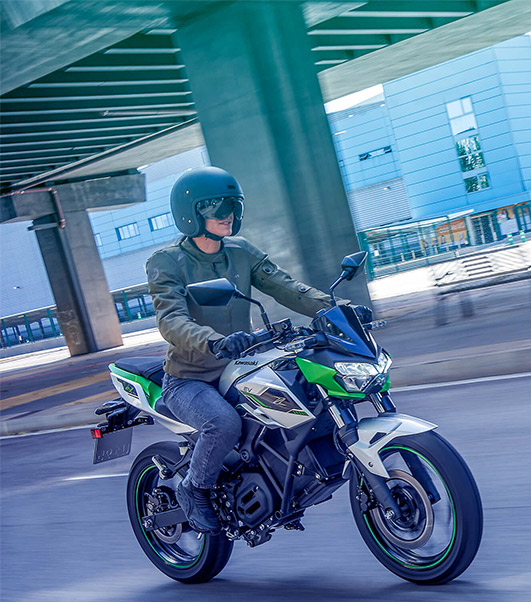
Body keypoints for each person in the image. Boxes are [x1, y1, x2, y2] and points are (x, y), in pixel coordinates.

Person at [147, 166, 372, 532]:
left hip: (245, 361)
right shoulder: (167, 262)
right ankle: (194, 488)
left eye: (233, 206)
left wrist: (336, 310)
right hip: (191, 379)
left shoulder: (241, 252)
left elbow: (286, 287)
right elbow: (170, 319)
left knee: (306, 396)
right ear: (192, 214)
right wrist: (215, 341)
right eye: (218, 208)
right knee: (223, 423)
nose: (228, 215)